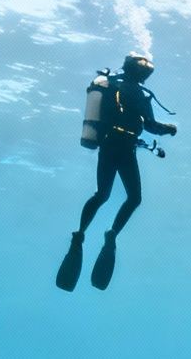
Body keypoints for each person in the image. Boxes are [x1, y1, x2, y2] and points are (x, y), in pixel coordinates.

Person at [59, 52, 177, 291]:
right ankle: (112, 234)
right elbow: (151, 126)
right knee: (134, 198)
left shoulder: (110, 85)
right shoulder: (139, 93)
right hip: (125, 148)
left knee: (102, 194)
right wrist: (170, 129)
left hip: (108, 144)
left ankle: (79, 235)